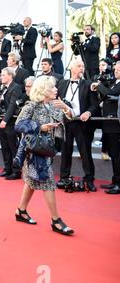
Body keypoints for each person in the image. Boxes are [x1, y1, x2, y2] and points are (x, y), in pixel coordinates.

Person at [14, 76, 74, 236]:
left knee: (32, 182)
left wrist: (66, 108)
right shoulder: (31, 106)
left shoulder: (55, 106)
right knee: (48, 182)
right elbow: (19, 125)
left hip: (49, 149)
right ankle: (56, 220)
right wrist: (40, 127)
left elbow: (69, 119)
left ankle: (21, 211)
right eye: (53, 87)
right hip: (34, 151)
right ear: (44, 90)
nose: (56, 89)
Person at [56, 59, 98, 192]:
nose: (82, 68)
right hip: (66, 122)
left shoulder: (88, 84)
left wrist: (88, 112)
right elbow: (57, 101)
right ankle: (64, 177)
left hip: (82, 123)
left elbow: (94, 105)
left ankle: (89, 179)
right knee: (65, 151)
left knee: (85, 152)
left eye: (83, 66)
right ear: (71, 68)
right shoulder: (62, 83)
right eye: (79, 66)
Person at [91, 62, 120, 194]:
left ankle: (118, 184)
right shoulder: (115, 82)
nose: (116, 71)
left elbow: (110, 93)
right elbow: (106, 95)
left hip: (115, 124)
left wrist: (99, 86)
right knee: (113, 154)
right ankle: (115, 181)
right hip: (108, 123)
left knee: (116, 155)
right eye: (116, 69)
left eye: (119, 69)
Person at [0, 67, 23, 180]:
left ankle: (16, 171)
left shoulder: (16, 88)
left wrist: (5, 120)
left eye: (3, 75)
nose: (1, 77)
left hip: (10, 122)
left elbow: (12, 106)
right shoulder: (3, 88)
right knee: (4, 146)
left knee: (12, 146)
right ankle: (7, 169)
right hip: (1, 120)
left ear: (10, 76)